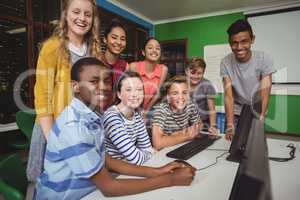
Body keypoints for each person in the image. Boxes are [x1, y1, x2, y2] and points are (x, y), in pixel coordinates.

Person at [34, 57, 196, 199]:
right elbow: (109, 188)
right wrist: (170, 180)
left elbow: (105, 160)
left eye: (106, 81)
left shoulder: (92, 115)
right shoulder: (74, 127)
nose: (103, 87)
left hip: (91, 189)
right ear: (75, 86)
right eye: (94, 81)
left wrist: (158, 171)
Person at [27, 0, 104, 182]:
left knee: (81, 182)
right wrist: (53, 139)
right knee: (53, 184)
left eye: (87, 14)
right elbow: (42, 96)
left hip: (82, 127)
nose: (82, 18)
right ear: (65, 15)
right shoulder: (52, 48)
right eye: (76, 12)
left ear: (93, 19)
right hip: (53, 129)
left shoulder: (94, 51)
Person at [220, 19, 275, 141]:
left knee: (253, 143)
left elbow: (265, 92)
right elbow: (229, 96)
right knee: (231, 144)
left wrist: (260, 118)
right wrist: (230, 124)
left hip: (255, 110)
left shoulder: (264, 59)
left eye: (244, 41)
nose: (239, 47)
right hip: (236, 111)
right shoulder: (225, 62)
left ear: (252, 39)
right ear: (229, 43)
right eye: (234, 43)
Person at [103, 71, 153, 165]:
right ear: (119, 94)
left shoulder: (137, 116)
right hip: (112, 172)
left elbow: (147, 149)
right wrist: (147, 154)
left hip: (130, 168)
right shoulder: (112, 117)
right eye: (129, 90)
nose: (135, 94)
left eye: (139, 89)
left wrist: (146, 153)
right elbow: (136, 159)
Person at [152, 75, 202, 150]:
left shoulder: (190, 105)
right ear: (168, 97)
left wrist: (178, 134)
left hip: (182, 146)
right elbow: (157, 143)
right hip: (164, 152)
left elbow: (199, 124)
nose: (181, 97)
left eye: (184, 93)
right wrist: (187, 135)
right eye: (175, 93)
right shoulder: (161, 110)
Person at [128, 37, 168, 113]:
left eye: (157, 48)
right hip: (132, 107)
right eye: (150, 48)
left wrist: (146, 111)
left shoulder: (163, 69)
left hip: (150, 108)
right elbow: (131, 92)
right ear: (143, 52)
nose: (154, 51)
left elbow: (157, 93)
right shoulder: (133, 66)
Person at [185, 57, 218, 134]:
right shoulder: (181, 84)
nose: (196, 76)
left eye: (199, 73)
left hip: (204, 122)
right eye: (192, 73)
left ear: (203, 73)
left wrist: (213, 126)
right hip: (185, 122)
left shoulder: (207, 85)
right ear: (186, 71)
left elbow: (212, 109)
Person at [101, 19, 128, 85]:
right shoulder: (96, 60)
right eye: (114, 37)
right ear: (105, 39)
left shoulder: (125, 66)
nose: (119, 42)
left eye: (122, 39)